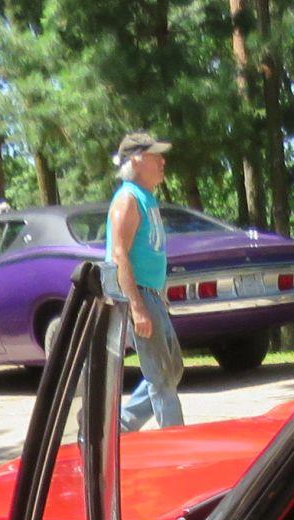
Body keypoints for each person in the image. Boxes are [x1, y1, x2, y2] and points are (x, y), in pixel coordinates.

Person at [106, 130, 185, 432]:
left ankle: (121, 427)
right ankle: (178, 444)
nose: (163, 161)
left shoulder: (146, 198)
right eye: (156, 155)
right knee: (162, 378)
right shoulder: (127, 199)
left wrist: (156, 296)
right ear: (136, 161)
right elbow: (119, 255)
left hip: (150, 295)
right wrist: (137, 307)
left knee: (172, 368)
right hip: (137, 295)